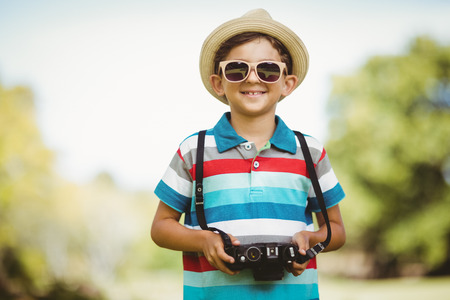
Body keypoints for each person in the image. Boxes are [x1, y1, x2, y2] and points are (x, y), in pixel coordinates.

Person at [151, 8, 346, 299]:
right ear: (219, 83)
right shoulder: (194, 150)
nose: (252, 79)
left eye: (267, 70)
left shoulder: (310, 151)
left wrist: (310, 240)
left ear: (286, 83)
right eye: (237, 69)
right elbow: (160, 227)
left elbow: (336, 230)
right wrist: (203, 241)